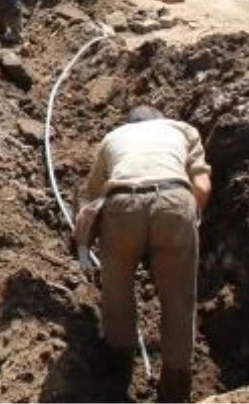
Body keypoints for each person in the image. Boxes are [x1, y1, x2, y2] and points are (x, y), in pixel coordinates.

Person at [75, 106, 213, 404]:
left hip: (122, 202)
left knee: (117, 294)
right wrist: (187, 222)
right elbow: (202, 185)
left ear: (129, 124)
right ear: (161, 121)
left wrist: (83, 240)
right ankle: (174, 392)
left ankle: (115, 382)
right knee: (179, 302)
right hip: (175, 199)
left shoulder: (113, 138)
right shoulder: (182, 131)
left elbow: (91, 197)